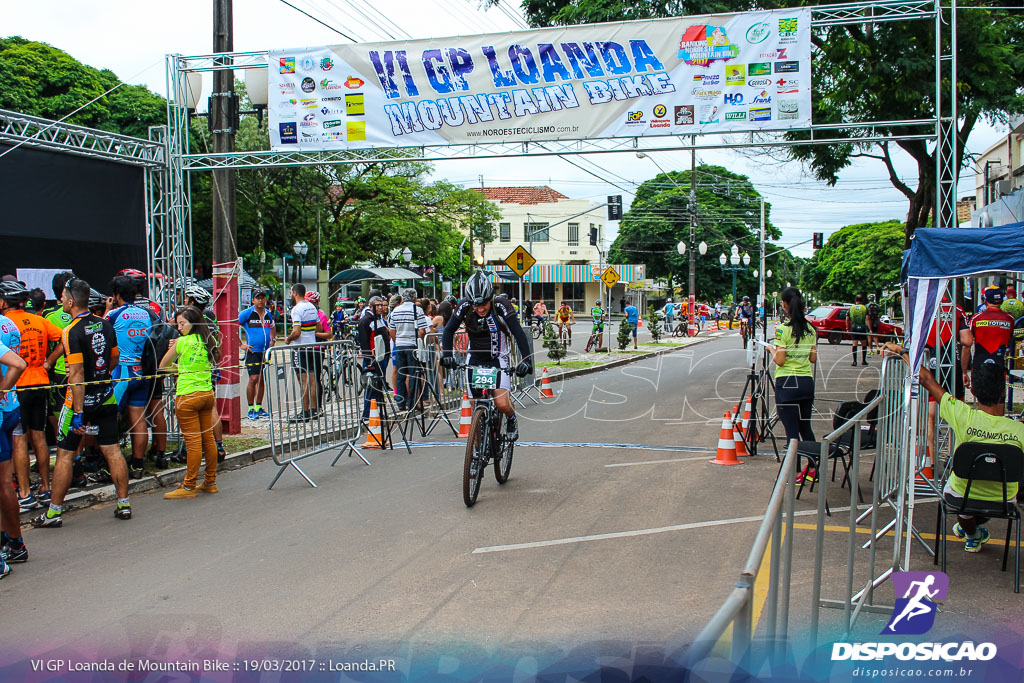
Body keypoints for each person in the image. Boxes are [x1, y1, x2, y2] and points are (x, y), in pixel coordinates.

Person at [33, 277, 132, 528]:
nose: (60, 301)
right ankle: (123, 503)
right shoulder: (105, 324)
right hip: (106, 395)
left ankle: (53, 513)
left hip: (80, 401)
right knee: (112, 450)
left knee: (65, 455)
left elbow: (76, 374)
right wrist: (100, 377)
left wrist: (77, 411)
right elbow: (114, 359)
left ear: (70, 301)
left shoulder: (71, 331)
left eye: (63, 297)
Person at [917, 361, 1024, 552]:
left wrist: (903, 352)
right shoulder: (1019, 430)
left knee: (964, 497)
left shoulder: (962, 414)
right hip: (1004, 500)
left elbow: (926, 379)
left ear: (972, 392)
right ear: (1003, 392)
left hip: (962, 497)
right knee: (984, 494)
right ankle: (972, 532)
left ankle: (972, 534)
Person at [440, 272, 532, 441]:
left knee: (502, 404)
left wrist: (526, 360)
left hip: (498, 358)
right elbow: (448, 330)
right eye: (476, 306)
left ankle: (511, 419)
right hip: (474, 358)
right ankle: (476, 455)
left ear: (491, 298)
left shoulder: (501, 305)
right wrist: (447, 355)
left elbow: (518, 333)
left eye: (484, 304)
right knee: (475, 406)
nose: (480, 309)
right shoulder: (465, 305)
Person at [0, 281, 62, 511]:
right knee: (40, 437)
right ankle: (46, 488)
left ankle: (25, 494)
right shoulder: (38, 320)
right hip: (40, 382)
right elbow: (64, 337)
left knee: (20, 441)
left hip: (17, 386)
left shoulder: (5, 323)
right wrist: (49, 362)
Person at [160, 307, 221, 498]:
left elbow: (162, 366)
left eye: (182, 323)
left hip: (187, 396)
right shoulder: (208, 341)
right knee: (208, 439)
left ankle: (188, 486)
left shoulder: (181, 342)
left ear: (192, 323)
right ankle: (210, 481)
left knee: (193, 443)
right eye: (178, 324)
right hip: (206, 394)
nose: (179, 327)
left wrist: (178, 369)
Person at [105, 275, 154, 478]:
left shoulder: (114, 315)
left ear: (117, 295)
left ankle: (111, 464)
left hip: (121, 373)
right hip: (141, 372)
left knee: (110, 419)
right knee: (139, 418)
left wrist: (107, 309)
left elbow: (100, 332)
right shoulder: (146, 313)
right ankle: (137, 464)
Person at [771, 287, 818, 483]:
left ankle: (790, 473)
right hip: (806, 382)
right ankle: (813, 469)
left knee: (791, 432)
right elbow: (813, 358)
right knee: (805, 428)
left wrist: (770, 350)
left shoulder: (783, 329)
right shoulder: (811, 329)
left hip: (787, 382)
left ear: (784, 304)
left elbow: (780, 360)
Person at [0, 310, 27, 574]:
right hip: (12, 408)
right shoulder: (8, 323)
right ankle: (14, 543)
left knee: (3, 484)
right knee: (5, 483)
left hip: (3, 409)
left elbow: (17, 364)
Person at [285, 284, 324, 421]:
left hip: (300, 348)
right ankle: (315, 410)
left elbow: (296, 332)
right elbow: (319, 327)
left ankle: (305, 411)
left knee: (304, 382)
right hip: (312, 346)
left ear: (295, 293)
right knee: (313, 381)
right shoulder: (312, 307)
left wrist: (288, 339)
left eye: (291, 292)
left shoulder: (296, 309)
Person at [388, 288, 429, 411]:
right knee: (413, 374)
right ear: (415, 298)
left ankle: (401, 402)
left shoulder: (396, 310)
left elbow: (391, 330)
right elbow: (422, 331)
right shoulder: (418, 310)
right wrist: (420, 343)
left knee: (401, 374)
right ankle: (412, 402)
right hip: (412, 345)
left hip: (399, 344)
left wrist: (397, 341)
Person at [238, 289, 275, 420]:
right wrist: (241, 345)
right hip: (253, 351)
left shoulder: (268, 314)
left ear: (265, 300)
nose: (260, 300)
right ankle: (250, 408)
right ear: (253, 300)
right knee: (253, 379)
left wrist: (273, 340)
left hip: (265, 352)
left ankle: (259, 407)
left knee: (261, 379)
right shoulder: (247, 313)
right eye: (257, 298)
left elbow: (273, 327)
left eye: (262, 298)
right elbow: (232, 327)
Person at [357, 295, 391, 420]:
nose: (381, 308)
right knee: (371, 387)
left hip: (382, 356)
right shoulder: (366, 320)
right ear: (371, 306)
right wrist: (369, 360)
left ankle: (377, 412)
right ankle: (367, 414)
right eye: (378, 305)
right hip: (373, 358)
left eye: (382, 305)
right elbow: (364, 342)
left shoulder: (379, 319)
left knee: (378, 387)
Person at [970, 285, 1014, 375]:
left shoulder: (976, 318)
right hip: (1000, 362)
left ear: (985, 301)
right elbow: (1010, 339)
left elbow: (967, 343)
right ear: (1001, 301)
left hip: (979, 363)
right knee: (999, 387)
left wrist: (964, 371)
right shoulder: (1010, 318)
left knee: (979, 388)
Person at [848, 294, 869, 366]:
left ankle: (854, 361)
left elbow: (847, 319)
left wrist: (847, 328)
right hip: (862, 328)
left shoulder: (851, 308)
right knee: (864, 343)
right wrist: (870, 328)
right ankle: (864, 360)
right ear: (862, 300)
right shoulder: (865, 308)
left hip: (854, 328)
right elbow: (868, 318)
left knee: (854, 344)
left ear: (855, 300)